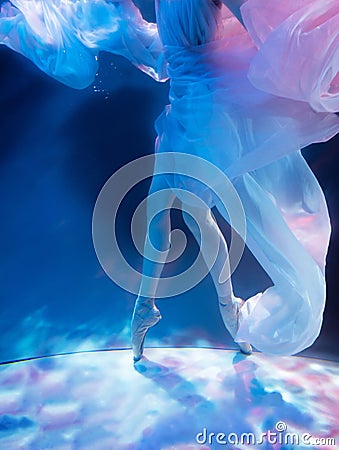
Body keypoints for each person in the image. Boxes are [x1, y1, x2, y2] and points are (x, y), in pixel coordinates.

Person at [1, 0, 338, 362]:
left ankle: (218, 310)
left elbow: (257, 29)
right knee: (168, 205)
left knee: (186, 209)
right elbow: (166, 39)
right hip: (186, 103)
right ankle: (165, 307)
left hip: (203, 113)